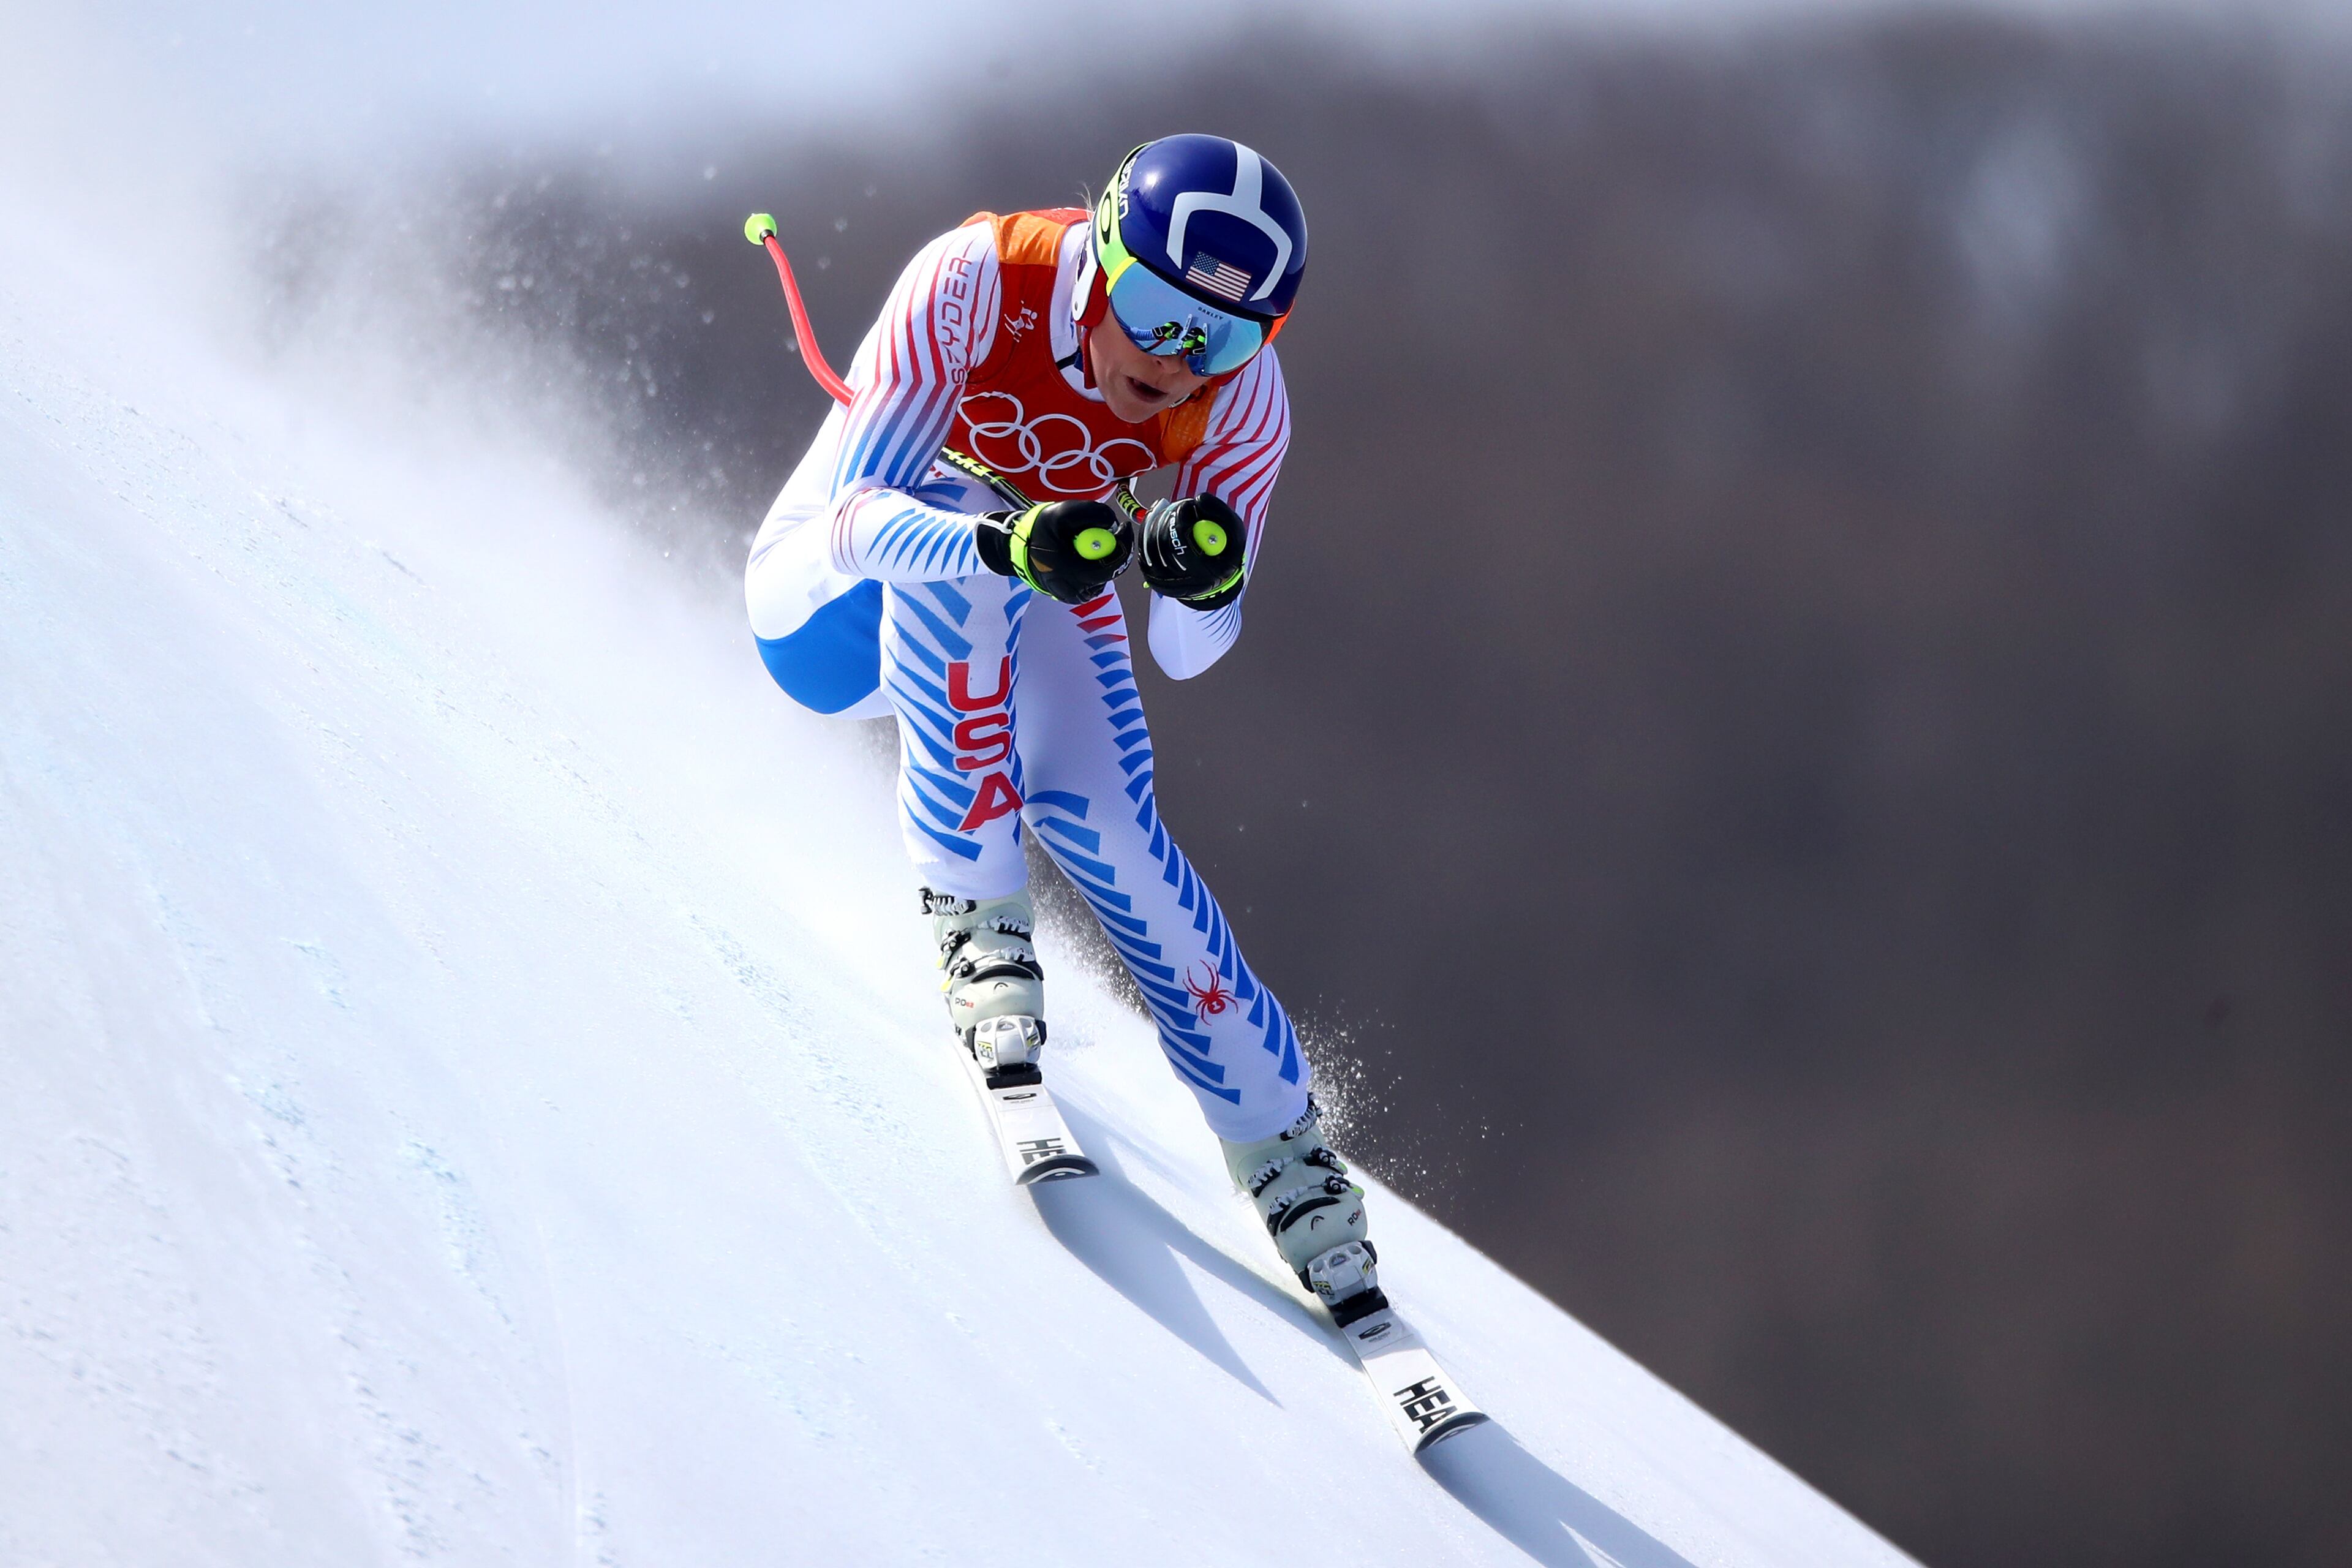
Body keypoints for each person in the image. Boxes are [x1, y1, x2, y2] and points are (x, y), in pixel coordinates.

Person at [744, 135, 1379, 1315]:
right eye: (1151, 307)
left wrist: (1207, 581)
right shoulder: (977, 280)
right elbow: (845, 527)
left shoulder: (1242, 406)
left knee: (1111, 828)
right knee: (981, 555)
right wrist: (999, 542)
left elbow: (1188, 658)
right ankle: (979, 931)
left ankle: (1285, 1149)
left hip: (1023, 584)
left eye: (1223, 337)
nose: (1175, 361)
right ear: (1098, 259)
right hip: (823, 613)